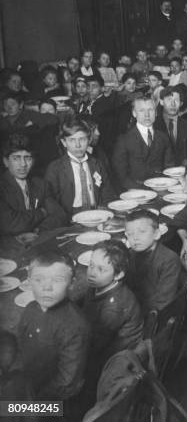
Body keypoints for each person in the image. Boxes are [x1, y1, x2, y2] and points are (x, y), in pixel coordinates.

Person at [17, 250, 90, 400]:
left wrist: (30, 403)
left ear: (72, 283)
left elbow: (67, 384)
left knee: (5, 411)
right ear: (29, 281)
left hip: (58, 405)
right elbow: (21, 351)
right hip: (31, 386)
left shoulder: (75, 327)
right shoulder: (30, 309)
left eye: (57, 280)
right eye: (38, 279)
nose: (47, 287)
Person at [82, 239, 143, 372]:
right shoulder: (98, 284)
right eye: (91, 265)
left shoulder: (113, 307)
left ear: (119, 274)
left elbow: (94, 346)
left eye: (101, 269)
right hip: (105, 343)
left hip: (116, 360)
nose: (92, 273)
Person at [45, 119, 115, 217]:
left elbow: (108, 193)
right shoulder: (55, 168)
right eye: (72, 140)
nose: (78, 145)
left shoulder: (97, 164)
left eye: (82, 139)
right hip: (69, 217)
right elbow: (51, 201)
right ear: (64, 142)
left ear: (89, 140)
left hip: (96, 212)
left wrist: (104, 210)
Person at [0, 134, 66, 236]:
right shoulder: (2, 187)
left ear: (34, 160)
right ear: (6, 162)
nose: (23, 164)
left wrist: (38, 231)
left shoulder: (41, 184)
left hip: (38, 240)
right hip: (9, 247)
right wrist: (42, 212)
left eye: (28, 158)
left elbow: (59, 216)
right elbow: (9, 224)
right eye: (16, 158)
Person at [112, 97, 175, 191]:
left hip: (162, 189)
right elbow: (121, 175)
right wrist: (137, 190)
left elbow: (170, 168)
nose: (147, 115)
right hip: (135, 192)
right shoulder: (124, 140)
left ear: (156, 112)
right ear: (134, 113)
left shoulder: (163, 137)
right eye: (141, 110)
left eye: (150, 110)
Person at [125, 209, 182, 312]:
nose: (135, 238)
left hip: (154, 316)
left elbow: (163, 303)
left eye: (142, 232)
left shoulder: (169, 260)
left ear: (156, 234)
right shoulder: (129, 255)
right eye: (130, 234)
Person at [154, 86, 187, 165]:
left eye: (176, 100)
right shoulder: (154, 125)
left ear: (181, 103)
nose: (173, 104)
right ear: (161, 102)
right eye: (169, 100)